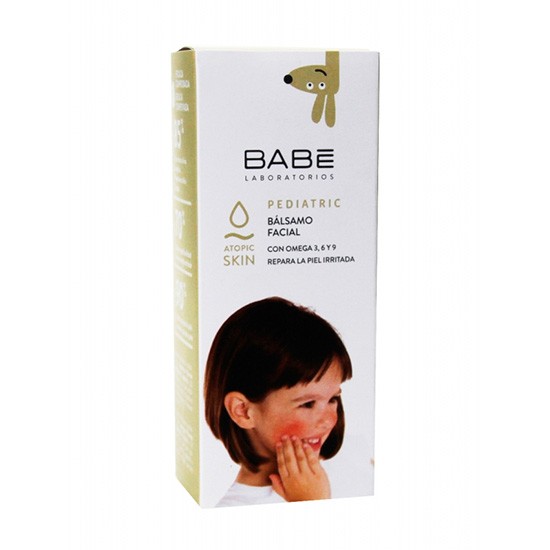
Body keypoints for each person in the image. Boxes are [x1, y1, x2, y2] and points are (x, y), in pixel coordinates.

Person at [204, 296, 352, 506]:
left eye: (333, 399)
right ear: (243, 410)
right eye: (307, 404)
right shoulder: (232, 508)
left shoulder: (345, 474)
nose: (328, 420)